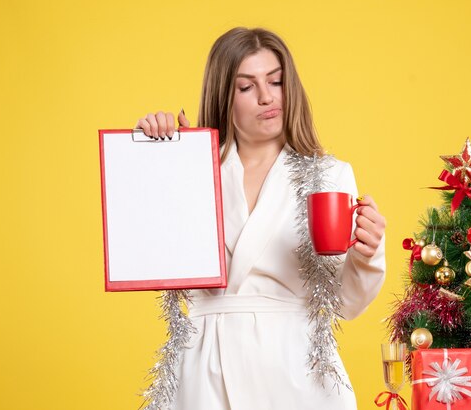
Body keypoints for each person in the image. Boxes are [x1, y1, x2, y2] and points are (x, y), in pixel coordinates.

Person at [135, 27, 386, 410]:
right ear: (224, 96)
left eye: (276, 81)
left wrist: (366, 255)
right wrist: (151, 155)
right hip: (206, 371)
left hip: (297, 373)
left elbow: (345, 305)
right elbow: (146, 246)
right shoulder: (192, 168)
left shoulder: (330, 175)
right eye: (246, 87)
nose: (267, 97)